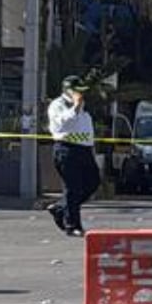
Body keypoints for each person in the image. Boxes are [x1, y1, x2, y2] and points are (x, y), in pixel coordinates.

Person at [46, 77, 99, 237]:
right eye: (77, 91)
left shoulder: (83, 107)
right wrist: (75, 107)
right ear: (68, 90)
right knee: (73, 188)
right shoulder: (57, 105)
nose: (80, 94)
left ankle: (60, 208)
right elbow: (61, 125)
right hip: (67, 149)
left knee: (93, 183)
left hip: (84, 150)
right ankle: (72, 225)